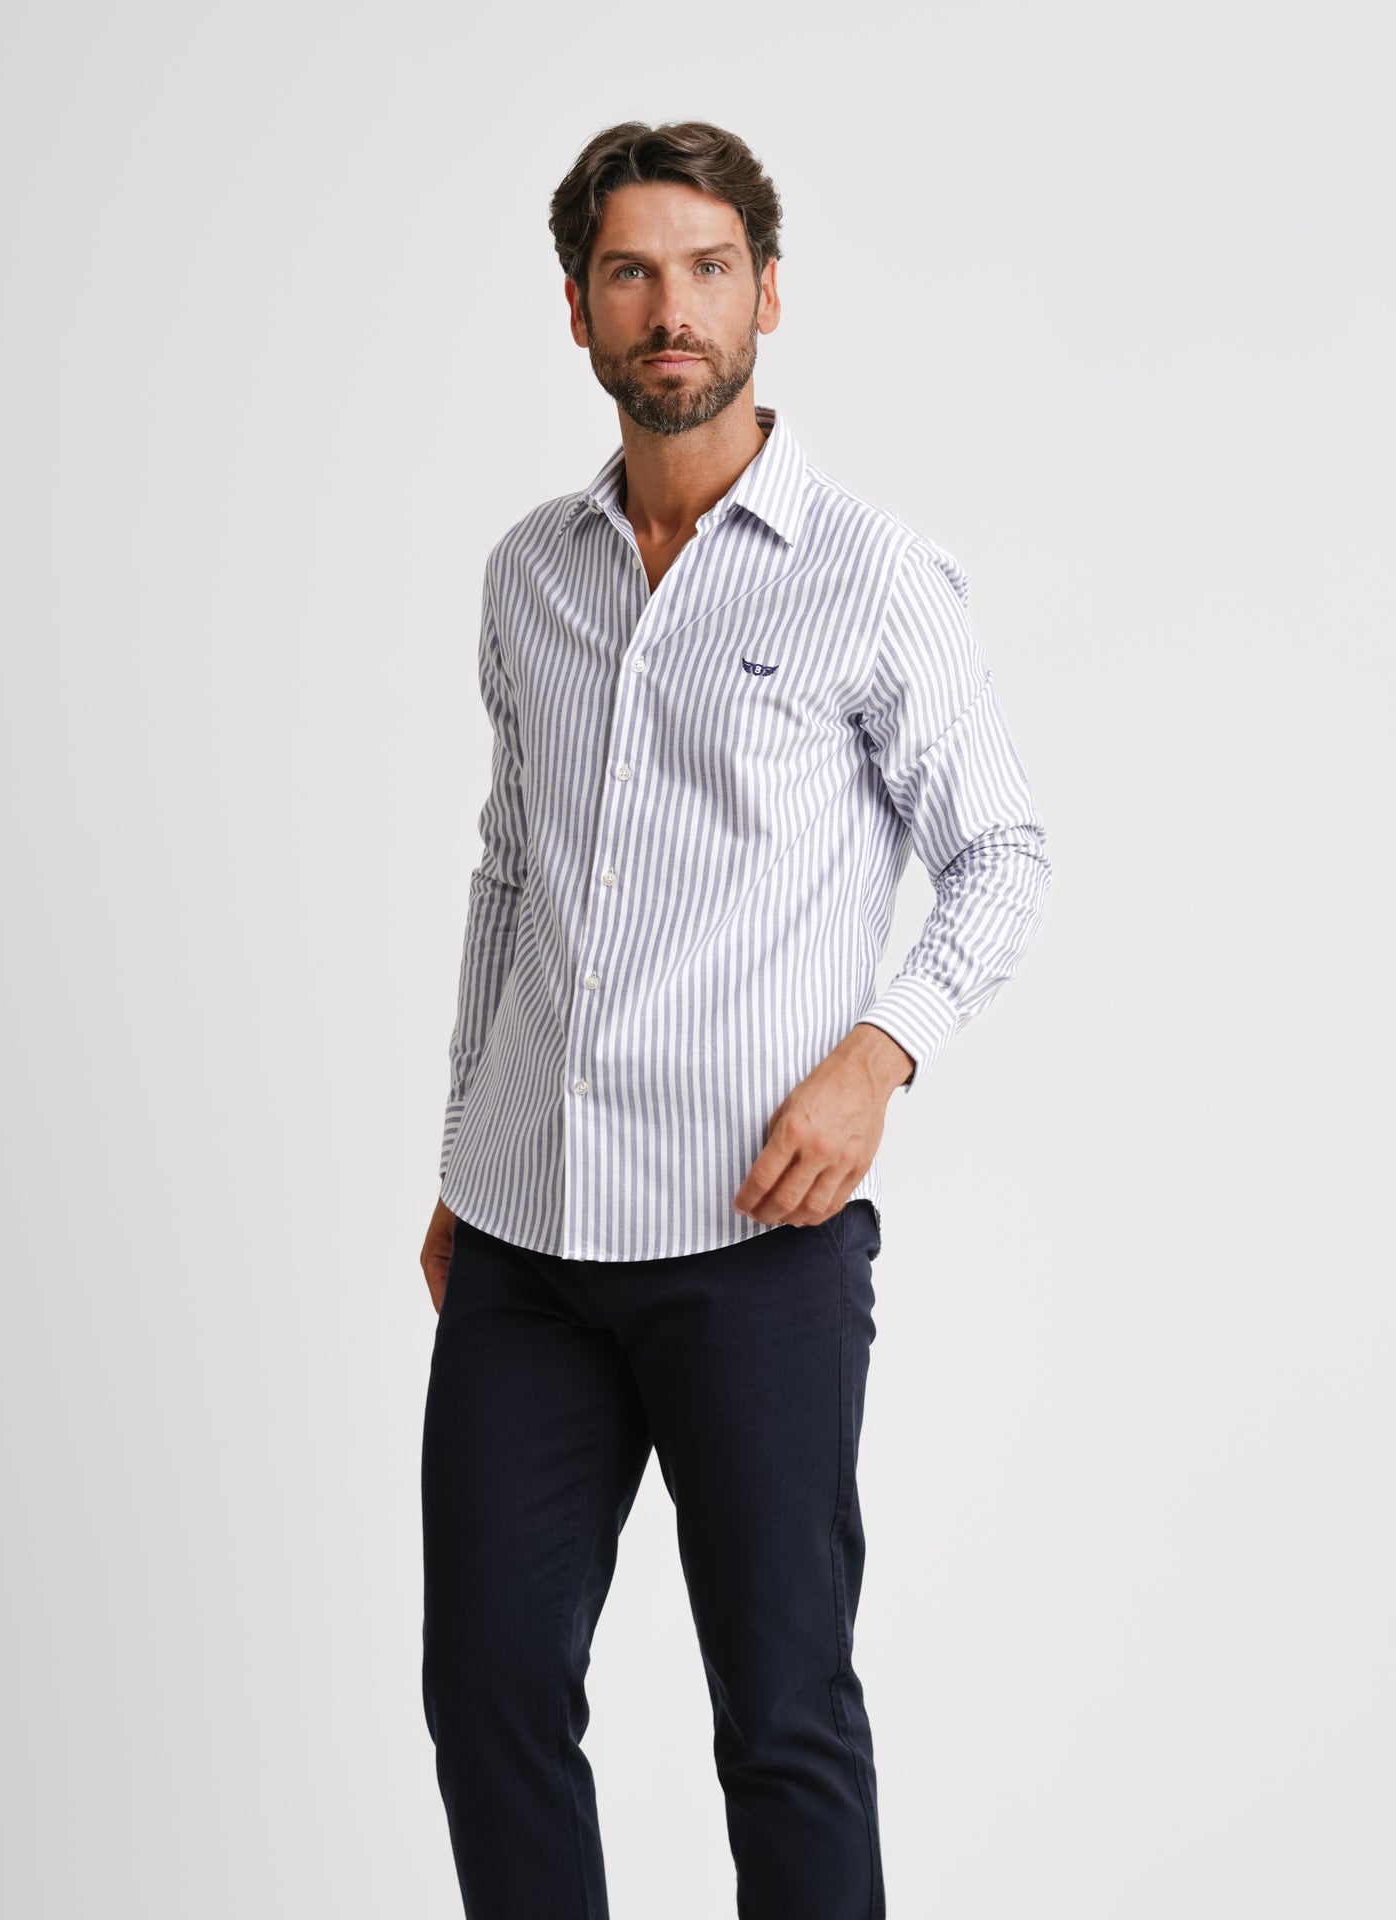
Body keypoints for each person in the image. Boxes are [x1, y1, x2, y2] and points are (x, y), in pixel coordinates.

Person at [419, 119, 1052, 1920]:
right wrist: (462, 1155)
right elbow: (510, 877)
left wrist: (881, 1050)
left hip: (751, 1242)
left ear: (768, 294)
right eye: (630, 272)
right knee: (488, 1695)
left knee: (781, 1716)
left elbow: (1002, 850)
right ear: (578, 309)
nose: (671, 308)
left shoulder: (871, 572)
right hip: (525, 1242)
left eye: (707, 269)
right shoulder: (530, 574)